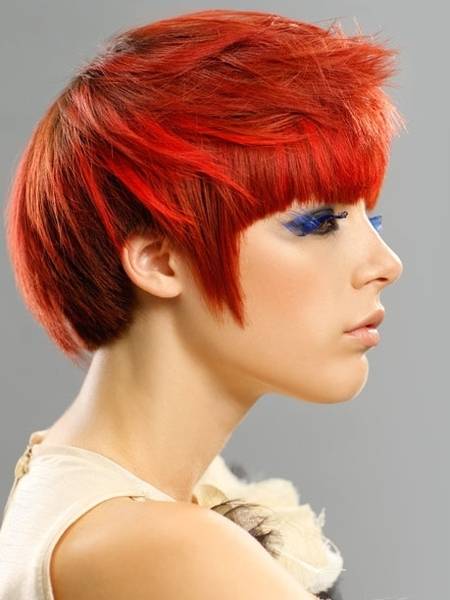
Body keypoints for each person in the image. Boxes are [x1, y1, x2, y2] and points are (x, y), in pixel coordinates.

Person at [0, 8, 404, 599]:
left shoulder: (76, 489)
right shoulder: (159, 548)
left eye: (372, 220)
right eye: (319, 223)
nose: (386, 264)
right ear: (160, 262)